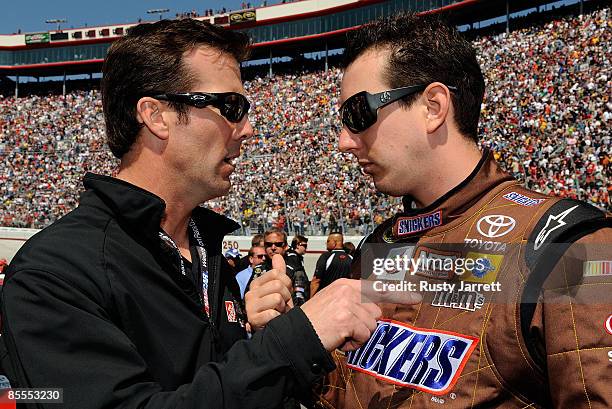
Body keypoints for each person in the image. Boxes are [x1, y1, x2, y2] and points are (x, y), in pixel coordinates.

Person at [0, 19, 406, 409]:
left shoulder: (204, 248)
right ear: (156, 115)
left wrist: (257, 339)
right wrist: (294, 340)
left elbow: (208, 379)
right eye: (231, 106)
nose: (247, 129)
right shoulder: (53, 272)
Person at [315, 12, 612, 408]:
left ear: (433, 106)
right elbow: (345, 391)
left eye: (357, 115)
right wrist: (293, 344)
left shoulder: (572, 246)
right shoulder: (381, 244)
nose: (343, 142)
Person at [310, 232, 352, 296]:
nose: (326, 243)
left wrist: (311, 301)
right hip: (344, 299)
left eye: (328, 241)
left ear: (335, 242)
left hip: (327, 298)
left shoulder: (326, 256)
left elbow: (316, 281)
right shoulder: (351, 258)